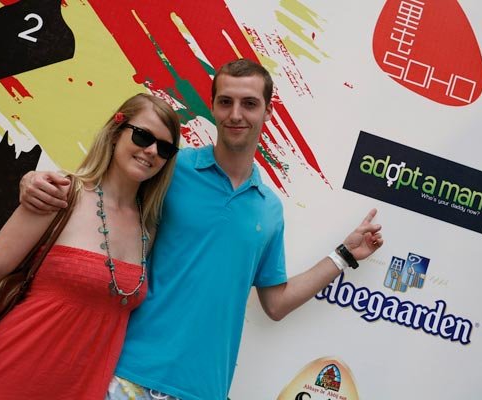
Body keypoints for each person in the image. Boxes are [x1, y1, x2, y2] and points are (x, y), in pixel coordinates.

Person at [19, 59, 384, 400]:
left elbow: (276, 304)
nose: (236, 114)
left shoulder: (269, 209)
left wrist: (343, 255)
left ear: (268, 112)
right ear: (212, 107)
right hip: (126, 372)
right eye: (225, 102)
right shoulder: (169, 168)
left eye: (249, 104)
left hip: (204, 389)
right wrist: (34, 181)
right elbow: (104, 194)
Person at [0, 93, 181, 399]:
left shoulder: (149, 229)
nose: (152, 151)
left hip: (80, 389)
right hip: (9, 373)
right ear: (116, 132)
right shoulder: (60, 193)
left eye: (165, 148)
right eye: (143, 136)